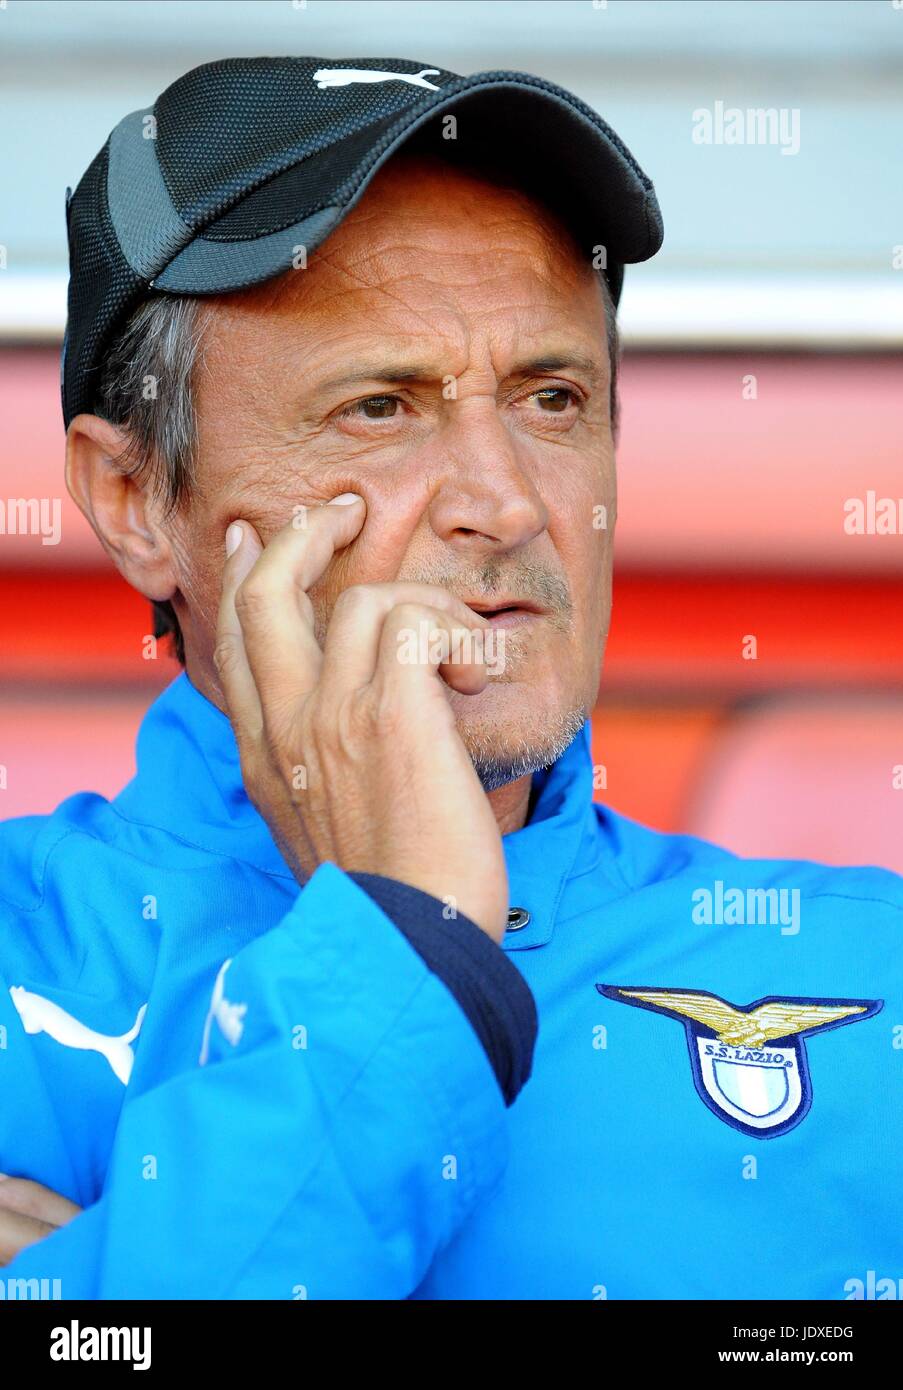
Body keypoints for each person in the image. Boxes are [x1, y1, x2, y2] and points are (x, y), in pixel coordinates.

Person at [1, 55, 899, 1300]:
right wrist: (403, 944)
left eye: (552, 396)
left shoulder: (872, 971)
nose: (509, 501)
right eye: (380, 406)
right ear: (137, 498)